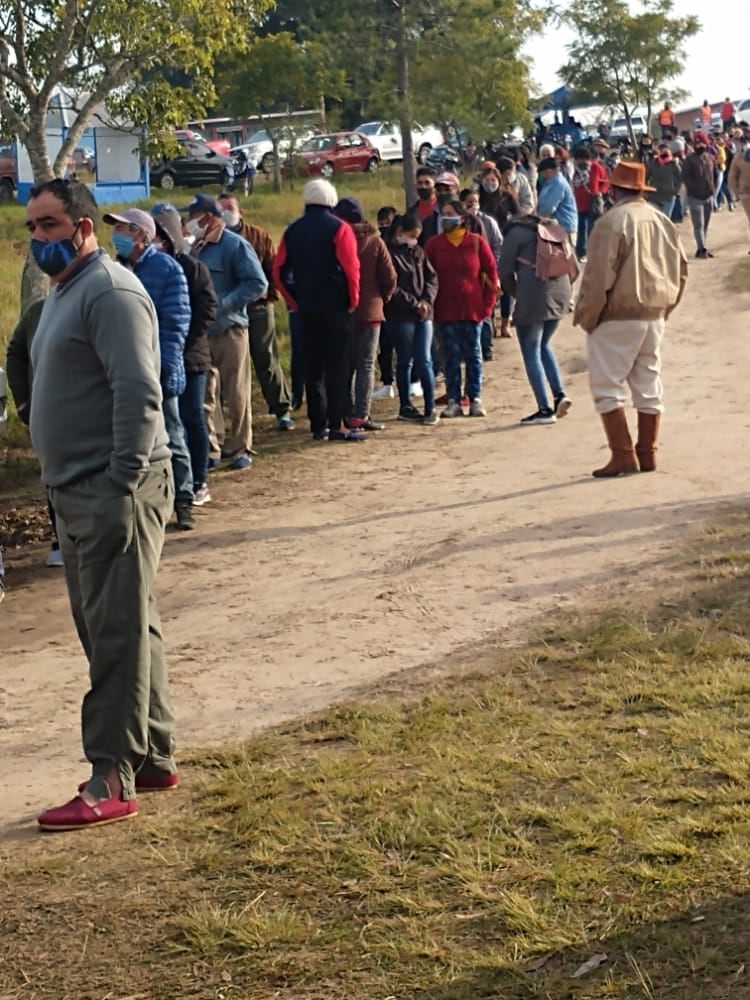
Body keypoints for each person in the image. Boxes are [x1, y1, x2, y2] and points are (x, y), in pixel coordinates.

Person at [27, 178, 176, 831]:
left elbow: (139, 393)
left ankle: (110, 775)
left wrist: (120, 479)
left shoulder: (111, 292)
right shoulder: (66, 292)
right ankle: (153, 755)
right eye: (32, 227)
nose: (39, 239)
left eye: (51, 226)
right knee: (128, 621)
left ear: (84, 227)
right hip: (79, 487)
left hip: (113, 487)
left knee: (112, 631)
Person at [572, 162, 687, 477]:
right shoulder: (662, 219)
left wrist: (588, 316)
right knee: (648, 383)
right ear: (641, 190)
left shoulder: (611, 222)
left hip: (618, 314)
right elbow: (682, 268)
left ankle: (623, 455)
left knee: (607, 386)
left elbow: (597, 278)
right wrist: (667, 307)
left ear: (613, 189)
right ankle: (647, 452)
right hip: (655, 312)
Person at [104, 208, 193, 529]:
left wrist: (164, 366)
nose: (117, 235)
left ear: (143, 234)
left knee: (172, 435)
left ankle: (183, 500)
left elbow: (176, 321)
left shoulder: (167, 269)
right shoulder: (113, 271)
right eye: (116, 229)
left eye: (124, 229)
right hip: (122, 371)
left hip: (159, 369)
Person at [273, 179, 363, 442]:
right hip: (336, 306)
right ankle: (338, 424)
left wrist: (293, 301)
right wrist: (352, 300)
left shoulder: (292, 230)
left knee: (313, 368)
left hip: (305, 308)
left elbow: (279, 271)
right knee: (338, 366)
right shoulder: (340, 228)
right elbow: (351, 269)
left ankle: (318, 425)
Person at [182, 193, 268, 469]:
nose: (188, 222)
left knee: (237, 392)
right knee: (207, 394)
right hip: (202, 332)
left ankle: (241, 446)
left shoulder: (234, 245)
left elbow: (257, 283)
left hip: (231, 329)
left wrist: (224, 304)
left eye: (192, 216)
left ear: (206, 217)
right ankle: (213, 447)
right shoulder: (194, 248)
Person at [152, 202, 217, 507]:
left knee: (193, 418)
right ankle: (177, 483)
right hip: (161, 358)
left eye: (161, 235)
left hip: (192, 357)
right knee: (169, 424)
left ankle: (199, 479)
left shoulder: (194, 268)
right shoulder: (145, 268)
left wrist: (182, 343)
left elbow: (206, 311)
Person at [217, 193, 294, 431]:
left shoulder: (257, 235)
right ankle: (223, 417)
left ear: (240, 211)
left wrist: (267, 292)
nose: (226, 212)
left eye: (230, 207)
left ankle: (282, 409)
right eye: (222, 209)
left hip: (258, 307)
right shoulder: (213, 240)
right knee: (225, 365)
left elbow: (273, 268)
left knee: (266, 357)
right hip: (228, 309)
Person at [424, 198, 498, 418]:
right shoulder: (434, 245)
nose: (446, 218)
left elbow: (491, 273)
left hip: (473, 309)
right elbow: (426, 275)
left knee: (474, 354)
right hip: (445, 310)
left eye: (450, 214)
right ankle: (454, 399)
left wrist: (488, 306)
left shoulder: (476, 242)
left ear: (462, 218)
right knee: (451, 356)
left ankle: (474, 398)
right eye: (443, 214)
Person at [5, 298, 65, 566]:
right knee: (54, 479)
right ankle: (62, 541)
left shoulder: (99, 304)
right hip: (46, 416)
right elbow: (15, 352)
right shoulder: (38, 312)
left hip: (89, 417)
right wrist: (23, 401)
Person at [500, 215, 575, 426]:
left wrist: (517, 294)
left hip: (533, 294)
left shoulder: (514, 234)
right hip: (562, 292)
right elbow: (574, 267)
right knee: (543, 345)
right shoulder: (554, 229)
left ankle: (544, 409)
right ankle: (559, 394)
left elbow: (504, 271)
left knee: (531, 350)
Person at [333, 197, 397, 432]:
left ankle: (347, 411)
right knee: (366, 364)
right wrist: (382, 298)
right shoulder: (375, 241)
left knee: (346, 364)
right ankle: (362, 414)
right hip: (371, 310)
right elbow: (390, 277)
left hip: (344, 309)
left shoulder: (337, 240)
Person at [385, 214, 439, 424]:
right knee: (405, 361)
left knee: (424, 359)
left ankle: (430, 406)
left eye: (417, 236)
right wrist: (412, 303)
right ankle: (405, 405)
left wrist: (426, 301)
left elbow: (432, 278)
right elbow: (391, 285)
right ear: (400, 231)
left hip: (424, 313)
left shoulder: (419, 252)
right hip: (401, 315)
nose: (414, 240)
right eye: (411, 235)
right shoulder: (390, 254)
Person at [460, 187, 503, 360]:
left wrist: (493, 265)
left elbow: (498, 244)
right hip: (464, 274)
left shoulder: (487, 222)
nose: (473, 205)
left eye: (475, 202)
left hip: (484, 272)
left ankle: (486, 346)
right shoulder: (457, 223)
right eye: (469, 202)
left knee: (485, 310)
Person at [681, 131, 718, 258]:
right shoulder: (688, 160)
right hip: (694, 197)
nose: (699, 145)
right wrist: (694, 188)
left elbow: (716, 173)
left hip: (708, 196)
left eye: (702, 143)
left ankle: (702, 247)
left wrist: (713, 189)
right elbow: (685, 177)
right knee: (698, 224)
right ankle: (702, 249)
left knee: (705, 224)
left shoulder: (709, 158)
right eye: (697, 143)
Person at [571, 146, 608, 261]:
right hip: (578, 203)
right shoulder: (572, 170)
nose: (582, 161)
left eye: (584, 159)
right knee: (581, 229)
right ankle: (581, 252)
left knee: (592, 228)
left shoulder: (596, 167)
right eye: (579, 159)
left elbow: (606, 182)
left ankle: (594, 251)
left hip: (593, 203)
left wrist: (600, 192)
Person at [537, 156, 578, 246]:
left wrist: (538, 218)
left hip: (564, 226)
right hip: (557, 226)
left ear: (548, 171)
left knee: (568, 256)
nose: (541, 176)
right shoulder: (549, 183)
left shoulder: (558, 183)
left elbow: (549, 206)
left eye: (542, 173)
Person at [646, 144, 683, 218]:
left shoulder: (674, 164)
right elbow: (646, 176)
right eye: (662, 150)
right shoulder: (654, 163)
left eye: (666, 150)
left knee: (665, 219)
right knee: (655, 219)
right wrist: (646, 189)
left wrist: (675, 191)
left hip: (668, 197)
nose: (664, 152)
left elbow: (680, 178)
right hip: (654, 197)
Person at [729, 133, 750, 248]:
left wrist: (738, 193)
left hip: (746, 192)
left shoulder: (738, 157)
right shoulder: (738, 157)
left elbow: (732, 177)